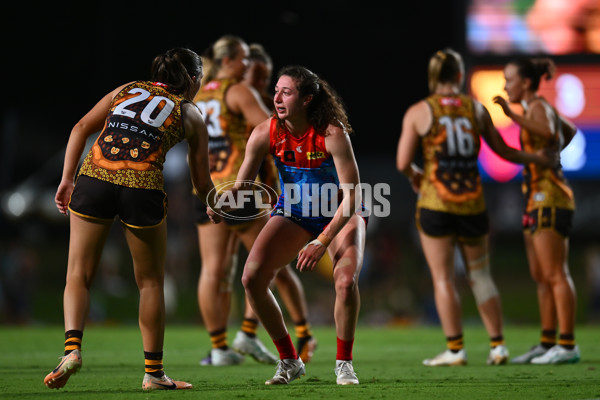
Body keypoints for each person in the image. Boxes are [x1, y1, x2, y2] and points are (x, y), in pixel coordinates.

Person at [45, 47, 219, 391]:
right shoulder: (191, 113)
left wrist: (67, 179)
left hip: (94, 178)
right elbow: (202, 184)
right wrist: (213, 203)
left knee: (78, 273)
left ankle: (71, 350)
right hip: (142, 187)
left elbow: (81, 127)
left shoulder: (127, 88)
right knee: (151, 282)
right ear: (195, 80)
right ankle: (153, 374)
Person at [396, 48, 556, 367]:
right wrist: (537, 159)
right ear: (459, 76)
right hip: (472, 205)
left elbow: (402, 163)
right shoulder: (476, 109)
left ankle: (455, 350)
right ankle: (498, 345)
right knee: (481, 276)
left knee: (443, 279)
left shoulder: (419, 111)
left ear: (432, 75)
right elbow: (504, 152)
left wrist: (416, 175)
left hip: (435, 203)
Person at [224, 65, 366, 385]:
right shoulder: (265, 132)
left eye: (286, 92)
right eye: (276, 90)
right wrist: (221, 205)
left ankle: (344, 364)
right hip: (296, 210)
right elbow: (242, 184)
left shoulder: (332, 133)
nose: (276, 97)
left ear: (307, 100)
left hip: (340, 212)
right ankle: (289, 360)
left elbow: (354, 195)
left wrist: (323, 240)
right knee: (252, 278)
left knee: (345, 282)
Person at [193, 36, 316, 367]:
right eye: (243, 59)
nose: (247, 67)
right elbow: (276, 129)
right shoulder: (238, 91)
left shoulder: (199, 92)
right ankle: (251, 334)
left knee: (214, 270)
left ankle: (220, 347)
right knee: (267, 265)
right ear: (230, 60)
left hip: (207, 190)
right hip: (241, 189)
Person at [493, 56, 580, 364]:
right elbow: (568, 130)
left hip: (551, 197)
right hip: (534, 198)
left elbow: (547, 131)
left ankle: (567, 345)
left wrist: (510, 115)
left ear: (526, 82)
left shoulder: (537, 108)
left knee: (556, 273)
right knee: (541, 276)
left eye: (509, 79)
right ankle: (547, 342)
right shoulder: (538, 109)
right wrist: (547, 155)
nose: (506, 86)